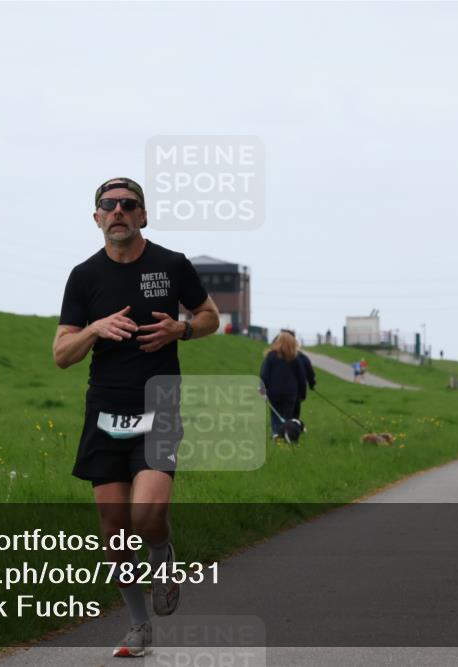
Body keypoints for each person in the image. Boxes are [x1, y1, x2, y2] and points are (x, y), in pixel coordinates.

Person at [53, 177, 220, 657]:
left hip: (158, 403)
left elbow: (210, 316)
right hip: (104, 408)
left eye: (129, 204)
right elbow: (62, 354)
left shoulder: (171, 265)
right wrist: (95, 328)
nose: (119, 211)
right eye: (109, 205)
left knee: (146, 516)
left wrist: (181, 330)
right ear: (97, 218)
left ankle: (162, 554)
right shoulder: (84, 277)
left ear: (143, 216)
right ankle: (138, 624)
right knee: (113, 530)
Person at [260, 331, 307, 438]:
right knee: (287, 416)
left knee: (275, 416)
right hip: (290, 394)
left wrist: (262, 390)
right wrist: (302, 394)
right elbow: (301, 378)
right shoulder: (295, 359)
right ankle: (287, 435)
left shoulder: (271, 356)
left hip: (274, 393)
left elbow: (264, 374)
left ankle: (276, 433)